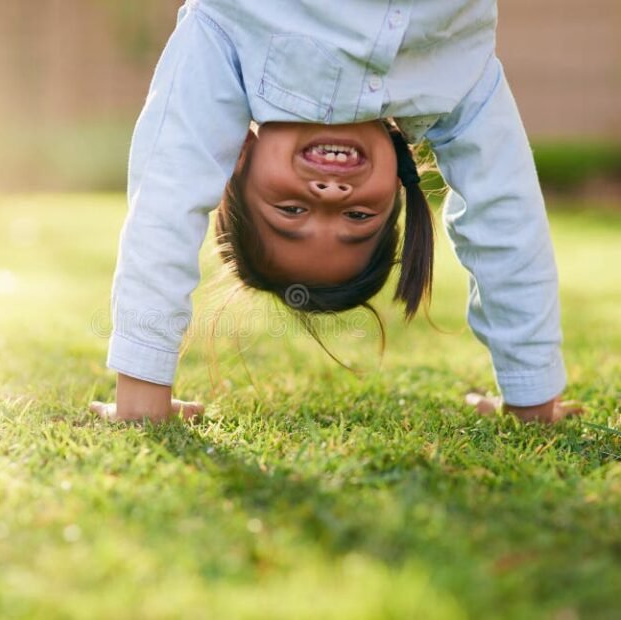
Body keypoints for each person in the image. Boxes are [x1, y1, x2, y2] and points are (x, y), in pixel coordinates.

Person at [90, 0, 580, 424]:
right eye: (359, 218)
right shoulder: (456, 74)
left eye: (291, 209)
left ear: (240, 159)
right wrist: (531, 396)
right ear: (395, 190)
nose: (330, 194)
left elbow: (167, 195)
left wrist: (142, 392)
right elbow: (505, 216)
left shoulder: (228, 31)